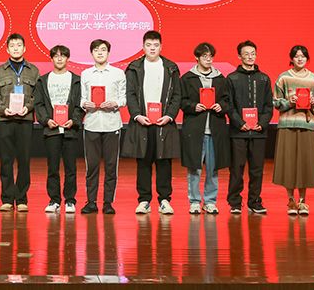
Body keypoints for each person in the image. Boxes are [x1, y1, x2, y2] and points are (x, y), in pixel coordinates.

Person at [122, 30, 183, 215]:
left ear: (161, 47)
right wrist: (137, 115)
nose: (152, 49)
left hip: (164, 123)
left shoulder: (170, 68)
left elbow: (177, 95)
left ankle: (164, 200)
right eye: (149, 45)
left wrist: (170, 115)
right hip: (143, 122)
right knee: (143, 162)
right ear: (143, 47)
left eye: (156, 45)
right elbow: (130, 94)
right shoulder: (134, 68)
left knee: (164, 162)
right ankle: (144, 200)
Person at [0, 33, 42, 212]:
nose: (16, 48)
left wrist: (28, 107)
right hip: (5, 120)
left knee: (24, 160)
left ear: (24, 48)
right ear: (7, 49)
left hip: (25, 120)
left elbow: (38, 94)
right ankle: (6, 198)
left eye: (19, 45)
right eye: (12, 46)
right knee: (6, 160)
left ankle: (21, 199)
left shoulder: (33, 70)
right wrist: (3, 109)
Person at [177, 42, 231, 215]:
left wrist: (221, 106)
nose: (208, 59)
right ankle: (194, 201)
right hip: (195, 129)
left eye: (211, 56)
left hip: (215, 129)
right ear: (197, 58)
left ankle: (210, 201)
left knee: (213, 169)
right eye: (204, 56)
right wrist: (193, 106)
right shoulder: (187, 78)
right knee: (194, 168)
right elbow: (181, 101)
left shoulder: (221, 78)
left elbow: (228, 101)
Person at [272, 45, 314, 216]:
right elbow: (276, 102)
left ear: (307, 58)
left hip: (307, 125)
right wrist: (289, 101)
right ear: (291, 59)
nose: (300, 59)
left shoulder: (313, 79)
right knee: (288, 163)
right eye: (296, 56)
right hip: (287, 124)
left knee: (304, 164)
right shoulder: (284, 77)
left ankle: (302, 201)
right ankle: (290, 200)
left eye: (303, 56)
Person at [33, 46, 83, 213]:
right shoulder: (43, 80)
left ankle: (70, 201)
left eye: (63, 56)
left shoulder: (76, 80)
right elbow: (39, 104)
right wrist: (46, 120)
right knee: (52, 168)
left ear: (68, 58)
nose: (59, 59)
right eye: (56, 56)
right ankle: (54, 200)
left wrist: (74, 120)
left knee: (71, 168)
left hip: (70, 130)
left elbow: (80, 104)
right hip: (52, 130)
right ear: (52, 59)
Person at [226, 40, 273, 215]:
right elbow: (229, 105)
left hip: (259, 132)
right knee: (236, 168)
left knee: (257, 170)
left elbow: (268, 106)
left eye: (252, 53)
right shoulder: (232, 78)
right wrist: (240, 123)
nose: (250, 56)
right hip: (238, 132)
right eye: (246, 54)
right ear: (239, 56)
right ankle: (235, 202)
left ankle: (254, 202)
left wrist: (262, 123)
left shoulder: (264, 78)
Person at [80, 39, 126, 214]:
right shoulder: (86, 74)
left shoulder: (118, 73)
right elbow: (82, 98)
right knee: (91, 166)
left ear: (108, 53)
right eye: (96, 50)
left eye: (103, 49)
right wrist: (85, 104)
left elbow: (124, 98)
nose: (100, 53)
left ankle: (108, 202)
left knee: (111, 166)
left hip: (112, 124)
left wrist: (115, 103)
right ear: (91, 53)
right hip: (91, 124)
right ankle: (91, 202)